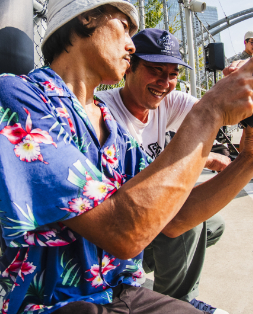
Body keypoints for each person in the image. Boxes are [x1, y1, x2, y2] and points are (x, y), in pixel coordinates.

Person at [0, 0, 253, 314]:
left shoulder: (111, 126)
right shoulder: (17, 97)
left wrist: (251, 159)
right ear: (85, 17)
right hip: (57, 306)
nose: (132, 45)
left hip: (121, 293)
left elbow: (174, 219)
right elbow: (123, 233)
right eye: (124, 27)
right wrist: (209, 112)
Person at [96, 28, 230, 309]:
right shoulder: (104, 111)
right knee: (184, 221)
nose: (165, 83)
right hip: (113, 229)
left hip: (144, 219)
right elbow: (145, 186)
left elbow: (216, 111)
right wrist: (203, 160)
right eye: (155, 70)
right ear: (129, 67)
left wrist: (240, 89)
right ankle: (177, 303)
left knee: (213, 225)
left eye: (172, 74)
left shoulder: (167, 101)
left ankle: (149, 270)